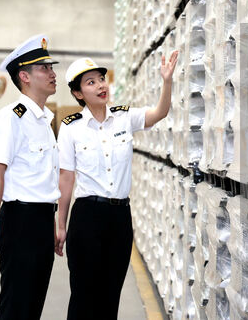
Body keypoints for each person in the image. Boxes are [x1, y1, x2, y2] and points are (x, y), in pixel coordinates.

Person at [56, 52, 178, 320]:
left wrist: (166, 82)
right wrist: (61, 224)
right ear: (78, 93)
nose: (101, 85)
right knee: (83, 297)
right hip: (87, 216)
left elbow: (159, 113)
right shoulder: (71, 128)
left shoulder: (124, 117)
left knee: (110, 298)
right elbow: (66, 177)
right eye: (90, 83)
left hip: (120, 218)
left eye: (101, 79)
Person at [0, 34, 60, 320]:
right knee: (16, 308)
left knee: (32, 306)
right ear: (24, 76)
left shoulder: (44, 121)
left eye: (52, 67)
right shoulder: (11, 117)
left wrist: (51, 223)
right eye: (44, 68)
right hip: (20, 223)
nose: (52, 73)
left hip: (40, 222)